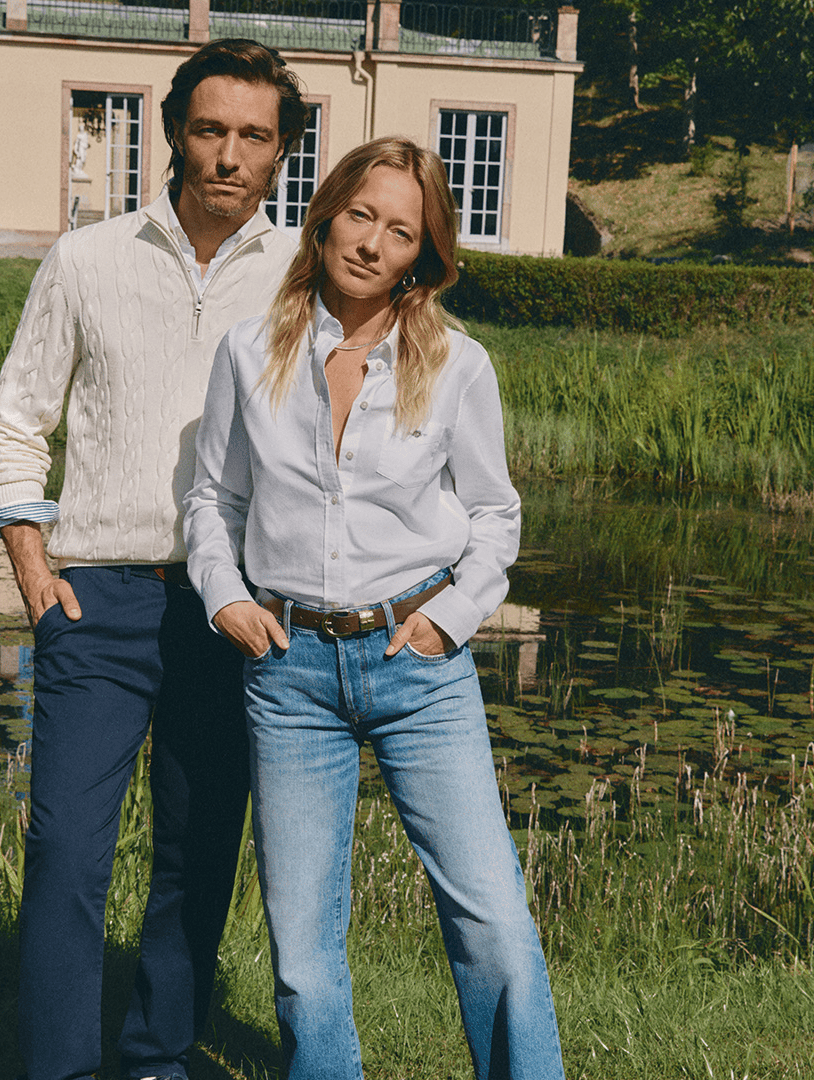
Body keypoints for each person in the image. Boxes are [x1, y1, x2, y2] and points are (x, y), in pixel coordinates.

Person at [184, 136, 565, 1080]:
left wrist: (451, 619)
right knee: (302, 945)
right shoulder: (249, 351)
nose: (371, 245)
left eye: (400, 232)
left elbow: (494, 514)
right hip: (289, 673)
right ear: (325, 219)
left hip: (418, 666)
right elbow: (214, 499)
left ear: (421, 256)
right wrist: (225, 595)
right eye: (360, 216)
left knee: (492, 919)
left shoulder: (458, 365)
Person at [0, 39, 309, 1080]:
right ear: (173, 133)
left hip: (231, 605)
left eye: (254, 136)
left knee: (199, 849)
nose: (228, 156)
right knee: (66, 847)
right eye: (209, 129)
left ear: (282, 151)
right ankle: (59, 1068)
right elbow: (13, 422)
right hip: (97, 600)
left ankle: (159, 1056)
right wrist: (34, 570)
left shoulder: (303, 279)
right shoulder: (87, 260)